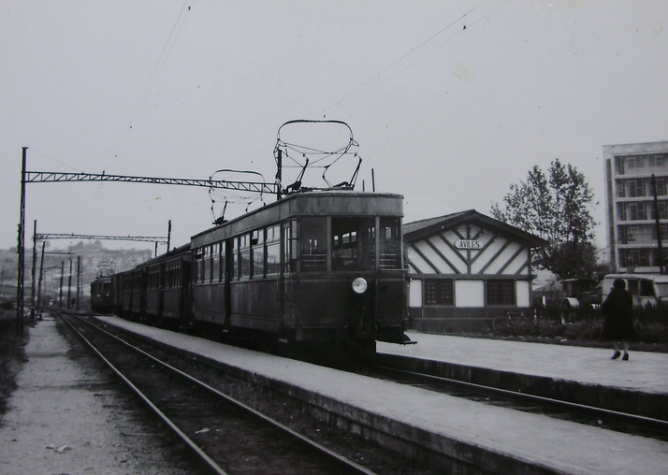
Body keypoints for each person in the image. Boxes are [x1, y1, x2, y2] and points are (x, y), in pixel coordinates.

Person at [601, 278, 637, 360]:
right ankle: (626, 352)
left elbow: (606, 304)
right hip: (626, 318)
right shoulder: (628, 294)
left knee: (613, 335)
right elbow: (630, 306)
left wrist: (604, 311)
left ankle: (617, 350)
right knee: (625, 336)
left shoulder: (613, 294)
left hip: (614, 318)